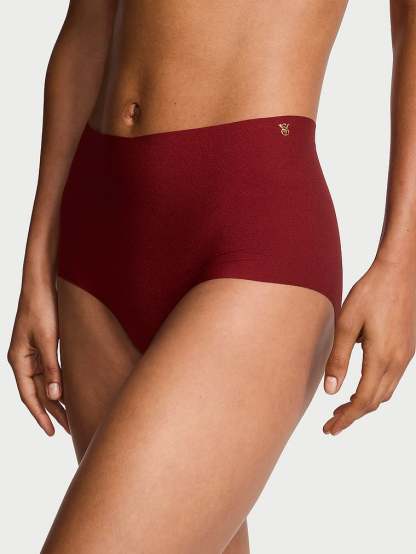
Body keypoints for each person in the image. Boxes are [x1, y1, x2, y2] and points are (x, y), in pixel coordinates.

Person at [7, 1, 416, 552]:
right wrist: (38, 261)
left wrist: (402, 263)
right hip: (95, 232)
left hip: (251, 234)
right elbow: (88, 23)